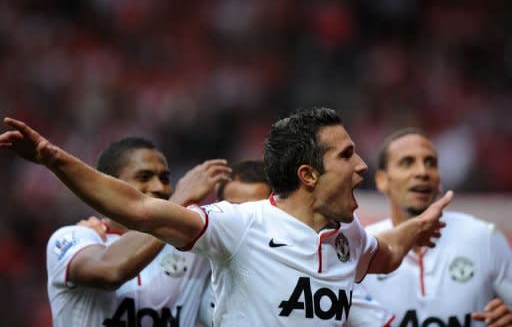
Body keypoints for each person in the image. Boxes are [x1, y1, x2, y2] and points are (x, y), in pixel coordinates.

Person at [0, 107, 453, 327]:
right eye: (348, 155)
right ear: (308, 174)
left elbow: (385, 251)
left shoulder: (348, 235)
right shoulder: (240, 226)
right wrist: (53, 158)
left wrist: (416, 226)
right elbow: (138, 211)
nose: (361, 168)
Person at [45, 136, 231, 327]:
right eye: (144, 177)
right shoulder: (71, 239)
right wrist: (179, 199)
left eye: (165, 178)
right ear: (108, 186)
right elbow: (110, 272)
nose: (159, 187)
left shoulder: (191, 247)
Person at [199, 159, 393, 327]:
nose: (242, 223)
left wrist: (419, 225)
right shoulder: (192, 267)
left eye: (255, 210)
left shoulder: (321, 275)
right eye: (237, 209)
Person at [361, 128, 512, 327]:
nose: (422, 172)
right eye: (407, 162)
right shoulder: (363, 248)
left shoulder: (484, 237)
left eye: (430, 163)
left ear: (438, 180)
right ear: (381, 180)